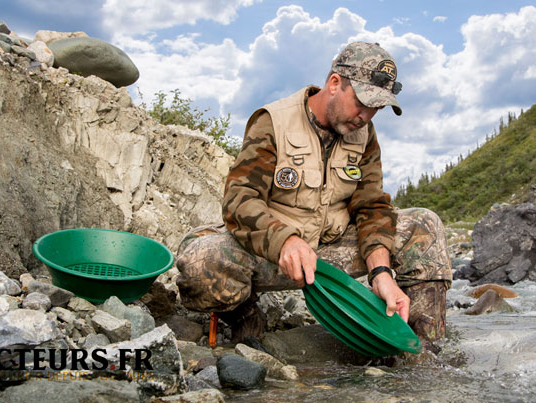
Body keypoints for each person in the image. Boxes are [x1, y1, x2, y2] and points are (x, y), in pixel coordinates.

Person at [176, 42, 452, 346]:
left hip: (334, 250)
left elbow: (371, 207)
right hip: (273, 255)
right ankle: (244, 314)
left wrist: (382, 273)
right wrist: (285, 241)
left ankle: (423, 350)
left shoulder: (364, 134)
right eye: (362, 102)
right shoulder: (272, 122)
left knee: (425, 225)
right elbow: (240, 199)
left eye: (376, 107)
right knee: (201, 262)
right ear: (334, 83)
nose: (365, 116)